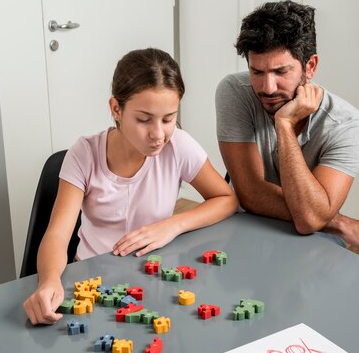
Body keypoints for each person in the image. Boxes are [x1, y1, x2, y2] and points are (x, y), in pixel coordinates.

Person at [24, 48, 238, 325]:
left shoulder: (179, 145)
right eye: (144, 119)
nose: (158, 134)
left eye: (168, 119)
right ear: (116, 109)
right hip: (92, 280)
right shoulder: (84, 153)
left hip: (153, 279)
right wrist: (49, 281)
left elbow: (226, 198)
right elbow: (57, 234)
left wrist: (173, 224)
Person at [216, 0, 359, 260]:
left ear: (310, 66)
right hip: (245, 223)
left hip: (312, 236)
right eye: (257, 72)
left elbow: (310, 221)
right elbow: (251, 194)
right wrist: (343, 224)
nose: (267, 87)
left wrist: (284, 126)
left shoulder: (348, 125)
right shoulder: (234, 91)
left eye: (280, 71)